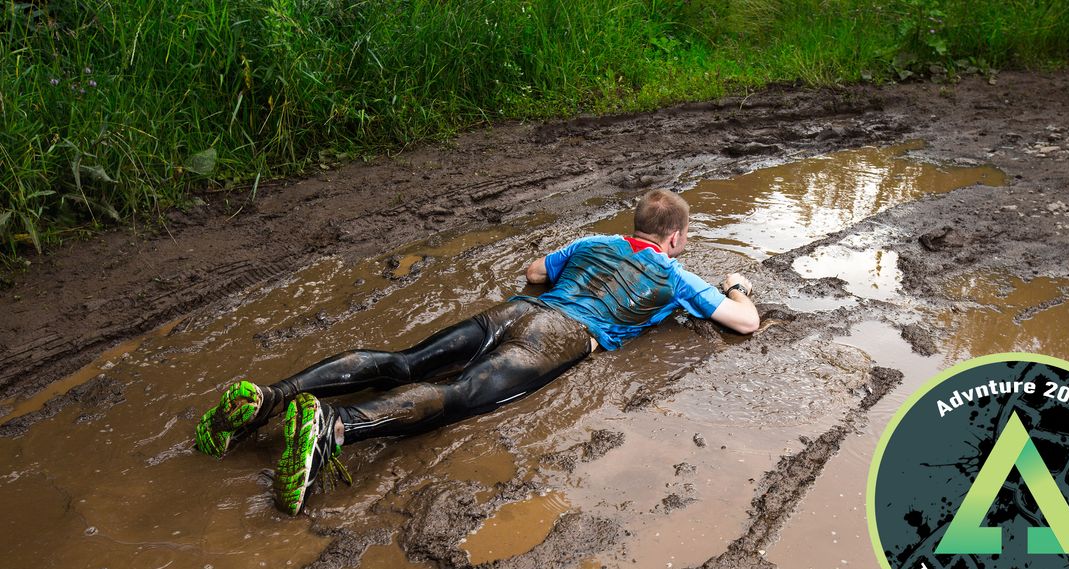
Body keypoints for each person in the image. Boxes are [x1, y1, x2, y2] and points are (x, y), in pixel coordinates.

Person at [195, 189, 759, 515]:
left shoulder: (596, 242)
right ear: (677, 237)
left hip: (514, 311)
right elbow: (745, 324)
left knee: (406, 359)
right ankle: (334, 426)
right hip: (561, 335)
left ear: (636, 225)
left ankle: (274, 397)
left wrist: (567, 269)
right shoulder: (676, 273)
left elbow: (536, 271)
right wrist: (736, 283)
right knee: (461, 394)